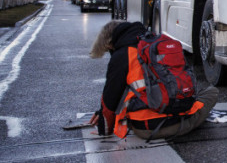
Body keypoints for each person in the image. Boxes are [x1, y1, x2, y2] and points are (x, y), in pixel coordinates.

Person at [89, 21, 217, 140]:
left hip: (146, 128)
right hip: (183, 120)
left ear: (111, 42)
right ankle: (191, 117)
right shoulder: (159, 44)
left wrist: (103, 127)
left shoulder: (123, 55)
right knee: (212, 92)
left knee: (134, 95)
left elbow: (111, 99)